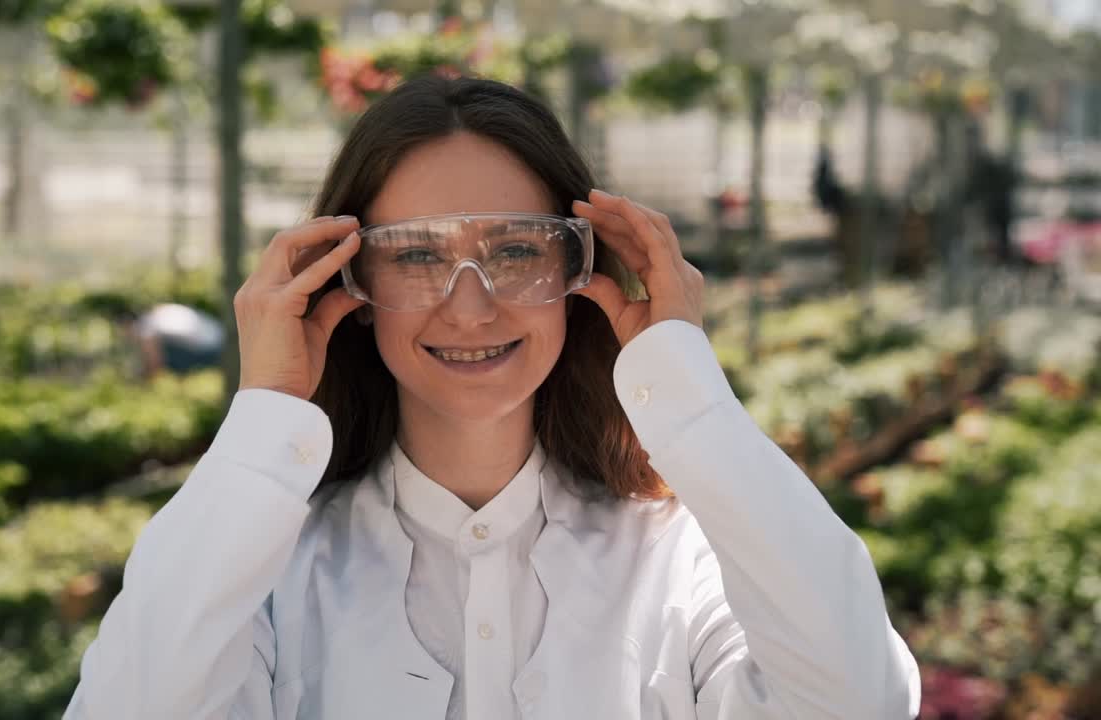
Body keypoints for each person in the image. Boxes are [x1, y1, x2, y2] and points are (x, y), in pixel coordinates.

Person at [64, 75, 921, 719]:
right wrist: (267, 412)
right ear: (345, 283)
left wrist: (687, 390)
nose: (470, 304)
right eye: (416, 255)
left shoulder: (679, 563)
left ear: (577, 271)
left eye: (517, 250)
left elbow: (860, 697)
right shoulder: (265, 577)